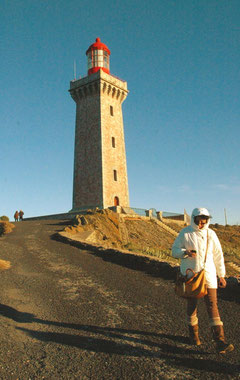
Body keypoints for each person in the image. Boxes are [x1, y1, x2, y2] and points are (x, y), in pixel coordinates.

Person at [172, 207, 234, 354]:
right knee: (192, 305)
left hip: (209, 276)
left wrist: (221, 275)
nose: (201, 224)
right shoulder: (185, 233)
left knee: (213, 306)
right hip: (191, 277)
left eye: (204, 221)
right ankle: (194, 336)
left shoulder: (211, 234)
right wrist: (185, 253)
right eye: (199, 221)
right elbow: (174, 250)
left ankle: (220, 341)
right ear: (194, 219)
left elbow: (218, 256)